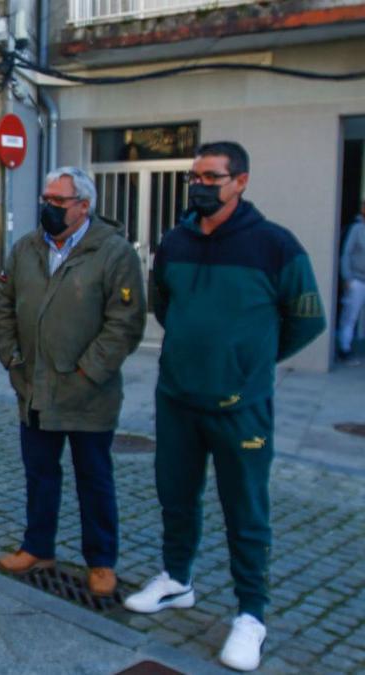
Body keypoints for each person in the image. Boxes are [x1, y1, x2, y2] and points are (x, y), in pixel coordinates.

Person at [123, 142, 325, 672]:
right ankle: (177, 580)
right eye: (195, 175)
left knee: (245, 510)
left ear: (241, 182)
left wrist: (250, 362)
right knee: (176, 495)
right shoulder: (175, 240)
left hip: (242, 407)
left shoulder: (276, 245)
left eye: (212, 176)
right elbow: (164, 305)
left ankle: (251, 615)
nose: (200, 185)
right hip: (177, 399)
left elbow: (307, 320)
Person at [0, 166, 146, 597]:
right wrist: (12, 358)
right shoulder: (25, 248)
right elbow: (3, 306)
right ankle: (37, 547)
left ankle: (101, 561)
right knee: (40, 474)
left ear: (84, 206)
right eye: (46, 199)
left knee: (93, 478)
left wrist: (88, 371)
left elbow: (125, 324)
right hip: (34, 389)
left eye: (59, 202)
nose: (49, 208)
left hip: (87, 393)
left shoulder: (114, 253)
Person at [337, 201, 365, 359]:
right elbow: (346, 253)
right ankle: (344, 348)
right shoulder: (356, 229)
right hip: (357, 280)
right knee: (350, 316)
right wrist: (347, 277)